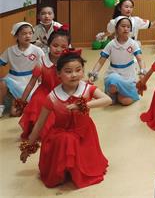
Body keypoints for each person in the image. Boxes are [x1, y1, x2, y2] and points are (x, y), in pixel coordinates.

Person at [19, 50, 112, 188]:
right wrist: (28, 147)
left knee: (70, 141)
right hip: (60, 134)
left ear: (83, 71)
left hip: (84, 133)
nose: (74, 75)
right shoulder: (53, 96)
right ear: (58, 74)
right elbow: (39, 124)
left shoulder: (87, 88)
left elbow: (107, 100)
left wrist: (83, 105)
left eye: (78, 70)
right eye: (68, 71)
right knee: (66, 139)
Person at [17, 28, 70, 139]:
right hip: (44, 91)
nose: (58, 49)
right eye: (55, 45)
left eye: (63, 47)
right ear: (49, 44)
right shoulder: (42, 61)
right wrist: (21, 102)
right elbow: (31, 83)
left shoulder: (68, 61)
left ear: (68, 47)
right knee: (38, 100)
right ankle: (38, 130)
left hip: (62, 91)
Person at [88, 16, 146, 105]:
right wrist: (93, 74)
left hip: (128, 75)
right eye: (123, 26)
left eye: (128, 27)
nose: (126, 29)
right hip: (113, 73)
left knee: (125, 101)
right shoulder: (111, 44)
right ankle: (113, 94)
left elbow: (140, 60)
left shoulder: (133, 44)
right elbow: (100, 61)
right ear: (116, 28)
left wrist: (142, 72)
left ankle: (120, 94)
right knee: (113, 81)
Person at [0, 22, 45, 117]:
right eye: (24, 34)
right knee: (2, 83)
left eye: (30, 33)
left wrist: (41, 82)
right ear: (16, 36)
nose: (28, 36)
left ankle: (18, 102)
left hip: (30, 81)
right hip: (12, 79)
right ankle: (1, 106)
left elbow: (43, 68)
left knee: (15, 113)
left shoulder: (37, 50)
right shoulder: (10, 50)